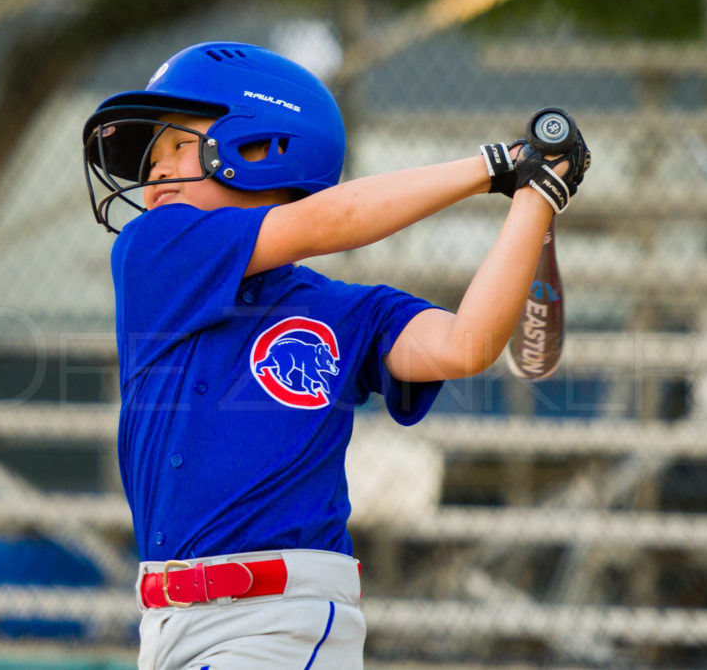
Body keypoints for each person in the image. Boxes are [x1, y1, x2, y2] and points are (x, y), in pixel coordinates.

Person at [82, 41, 589, 669]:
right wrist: (490, 166)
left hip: (279, 621)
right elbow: (330, 220)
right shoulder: (153, 253)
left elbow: (468, 344)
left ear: (262, 147)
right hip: (165, 626)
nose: (153, 175)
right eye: (152, 160)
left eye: (176, 147)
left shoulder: (351, 311)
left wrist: (534, 192)